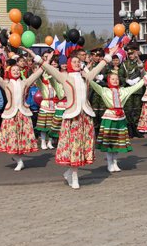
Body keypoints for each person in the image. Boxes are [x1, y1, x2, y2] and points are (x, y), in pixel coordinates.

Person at [32, 47, 111, 189]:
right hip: (72, 117)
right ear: (69, 64)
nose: (76, 63)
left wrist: (109, 55)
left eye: (78, 61)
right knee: (74, 147)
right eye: (73, 61)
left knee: (81, 147)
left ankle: (70, 173)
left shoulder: (85, 77)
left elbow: (100, 66)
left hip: (85, 116)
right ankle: (74, 176)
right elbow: (49, 68)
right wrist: (36, 56)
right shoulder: (65, 77)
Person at [90, 53, 147, 172]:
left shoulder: (123, 91)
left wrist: (145, 79)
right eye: (112, 79)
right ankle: (109, 162)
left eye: (116, 79)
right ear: (108, 80)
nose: (115, 81)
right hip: (109, 118)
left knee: (117, 141)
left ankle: (115, 162)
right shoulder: (104, 91)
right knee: (109, 141)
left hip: (120, 118)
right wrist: (85, 73)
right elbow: (92, 83)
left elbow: (135, 87)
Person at [0, 49, 43, 171]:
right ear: (9, 71)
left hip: (23, 113)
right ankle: (18, 159)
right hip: (11, 114)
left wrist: (43, 65)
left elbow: (36, 74)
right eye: (13, 70)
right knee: (13, 139)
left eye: (17, 70)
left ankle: (19, 160)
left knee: (21, 139)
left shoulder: (24, 82)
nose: (16, 71)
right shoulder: (6, 84)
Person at [118, 46, 145, 138]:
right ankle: (130, 129)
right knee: (128, 110)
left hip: (137, 90)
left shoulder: (140, 63)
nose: (131, 55)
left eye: (132, 53)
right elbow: (120, 76)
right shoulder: (124, 64)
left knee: (137, 110)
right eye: (129, 54)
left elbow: (143, 73)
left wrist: (138, 79)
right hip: (128, 90)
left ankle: (137, 129)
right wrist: (126, 81)